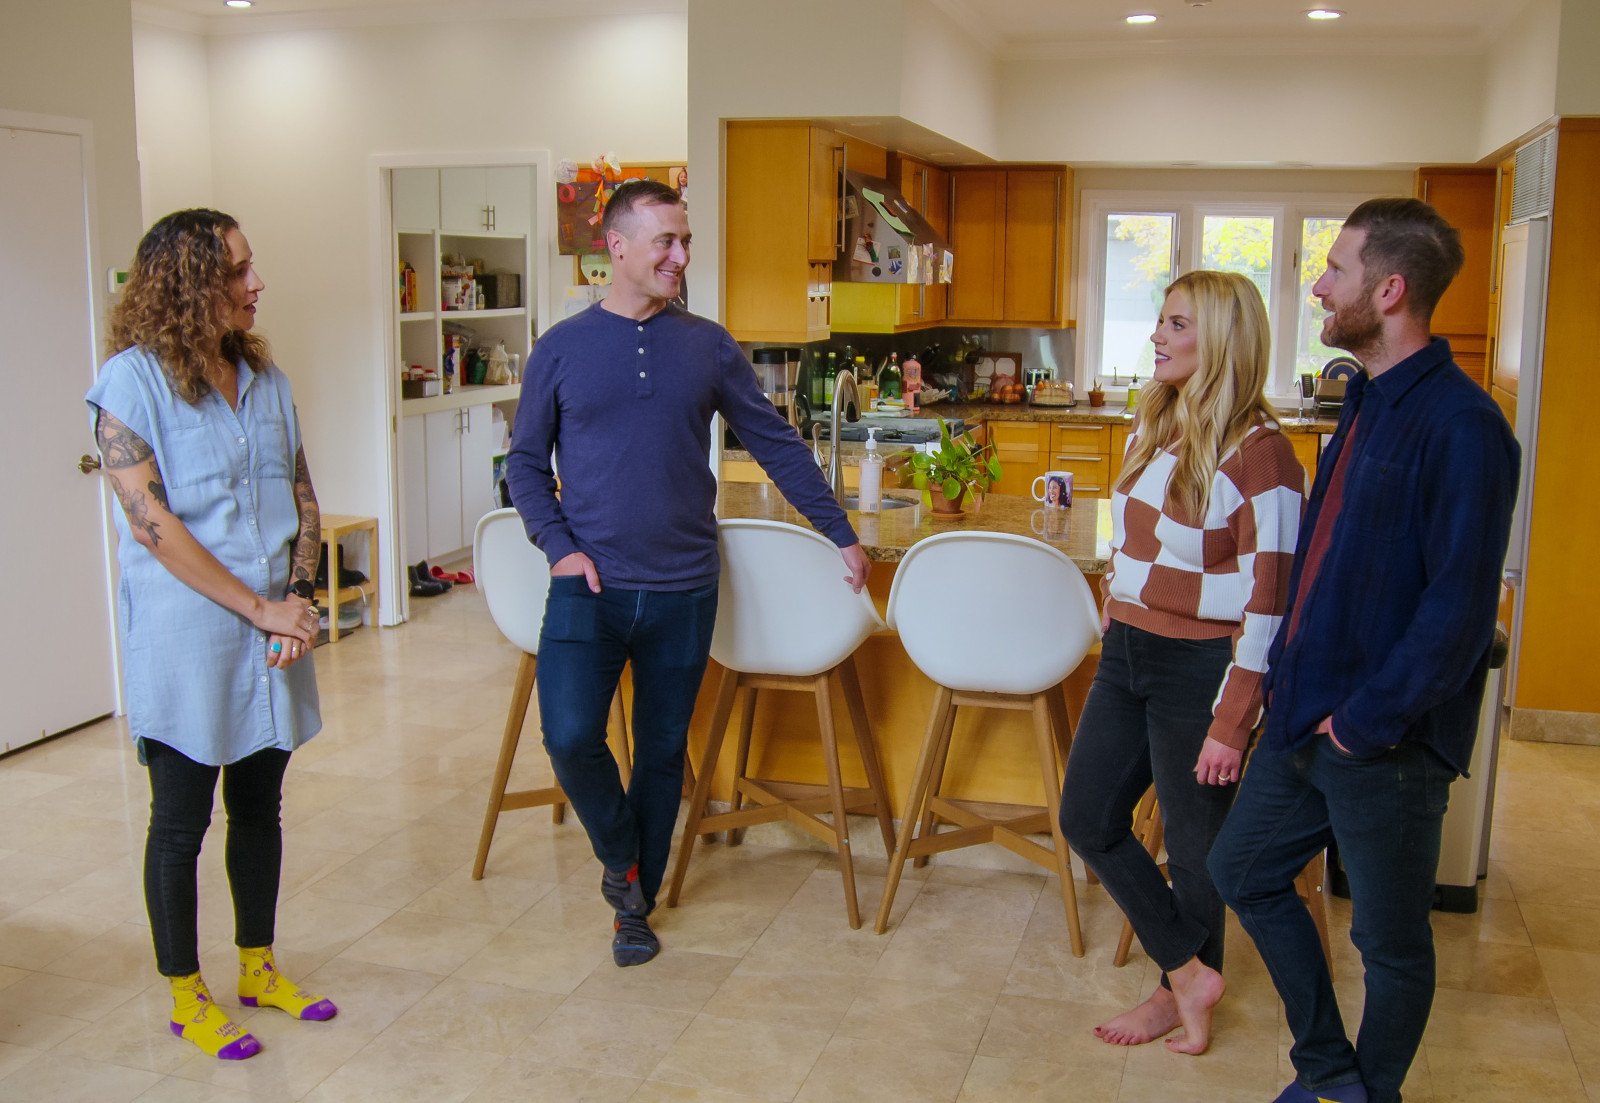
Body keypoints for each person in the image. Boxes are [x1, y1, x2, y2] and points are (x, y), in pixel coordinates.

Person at [505, 179, 868, 968]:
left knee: (665, 749)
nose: (681, 255)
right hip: (586, 586)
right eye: (666, 241)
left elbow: (772, 442)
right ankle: (624, 858)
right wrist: (560, 549)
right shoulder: (561, 349)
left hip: (682, 586)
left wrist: (837, 530)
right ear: (618, 248)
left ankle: (633, 907)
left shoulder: (707, 344)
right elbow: (526, 468)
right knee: (568, 737)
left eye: (686, 241)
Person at [1208, 198, 1520, 1103]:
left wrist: (1363, 725)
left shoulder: (1464, 428)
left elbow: (1458, 611)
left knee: (1389, 946)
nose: (1318, 285)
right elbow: (1330, 561)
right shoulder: (1369, 400)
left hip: (1377, 737)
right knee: (1243, 870)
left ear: (1388, 290)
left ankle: (1364, 1093)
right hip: (1308, 714)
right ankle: (1329, 1071)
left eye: (1335, 269)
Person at [86, 209, 336, 1062]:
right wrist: (259, 607)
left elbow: (303, 492)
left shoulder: (265, 379)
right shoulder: (130, 385)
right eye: (236, 270)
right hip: (189, 634)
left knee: (259, 806)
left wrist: (297, 597)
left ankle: (258, 965)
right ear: (187, 283)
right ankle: (185, 993)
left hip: (275, 630)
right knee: (180, 821)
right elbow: (153, 524)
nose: (255, 283)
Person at [1059, 270, 1305, 1056]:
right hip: (1127, 649)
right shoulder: (1152, 419)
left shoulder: (1265, 456)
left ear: (1222, 342)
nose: (1156, 336)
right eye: (1160, 321)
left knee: (1196, 851)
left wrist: (1234, 720)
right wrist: (1115, 591)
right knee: (1088, 816)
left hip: (1202, 668)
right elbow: (1136, 538)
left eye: (1176, 324)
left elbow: (1270, 602)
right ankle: (1188, 968)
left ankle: (1180, 992)